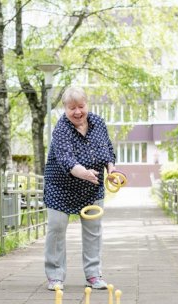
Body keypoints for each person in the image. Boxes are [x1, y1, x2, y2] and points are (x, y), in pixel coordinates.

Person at [43, 86, 117, 291]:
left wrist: (111, 169)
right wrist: (84, 172)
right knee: (56, 229)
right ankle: (55, 276)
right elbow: (66, 159)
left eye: (81, 106)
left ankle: (94, 275)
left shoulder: (98, 123)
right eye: (71, 108)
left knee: (93, 230)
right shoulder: (61, 128)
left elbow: (108, 151)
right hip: (61, 186)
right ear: (64, 109)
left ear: (87, 105)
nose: (77, 112)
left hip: (91, 188)